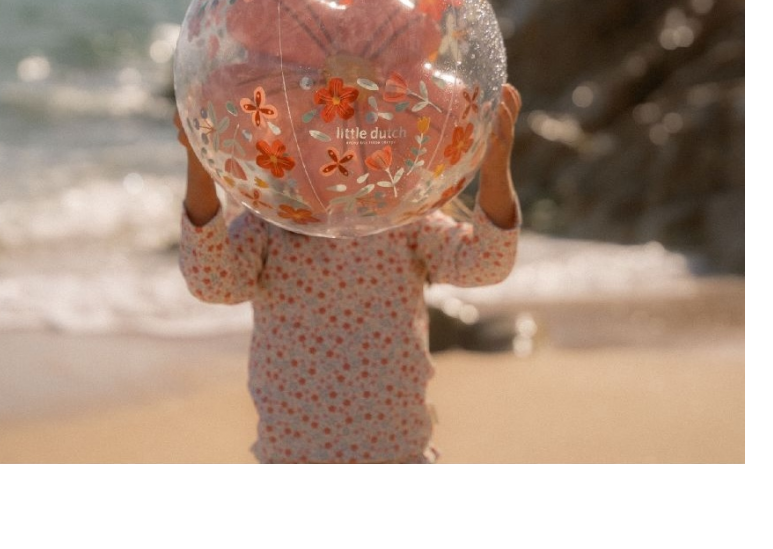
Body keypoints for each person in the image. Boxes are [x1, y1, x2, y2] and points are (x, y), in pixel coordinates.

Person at [174, 83, 523, 464]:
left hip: (396, 454)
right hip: (295, 456)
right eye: (313, 133)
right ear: (282, 148)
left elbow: (487, 262)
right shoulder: (268, 228)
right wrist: (200, 163)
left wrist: (495, 165)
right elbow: (212, 281)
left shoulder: (404, 221)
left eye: (357, 130)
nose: (338, 148)